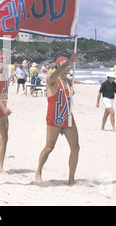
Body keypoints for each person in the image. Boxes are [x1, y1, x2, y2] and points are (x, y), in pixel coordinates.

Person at [35, 54, 79, 185]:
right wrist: (68, 61)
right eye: (64, 65)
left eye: (69, 65)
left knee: (75, 148)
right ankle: (38, 171)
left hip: (68, 117)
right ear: (57, 67)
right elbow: (54, 76)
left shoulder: (68, 81)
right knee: (49, 147)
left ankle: (71, 178)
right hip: (55, 117)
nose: (68, 67)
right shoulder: (51, 79)